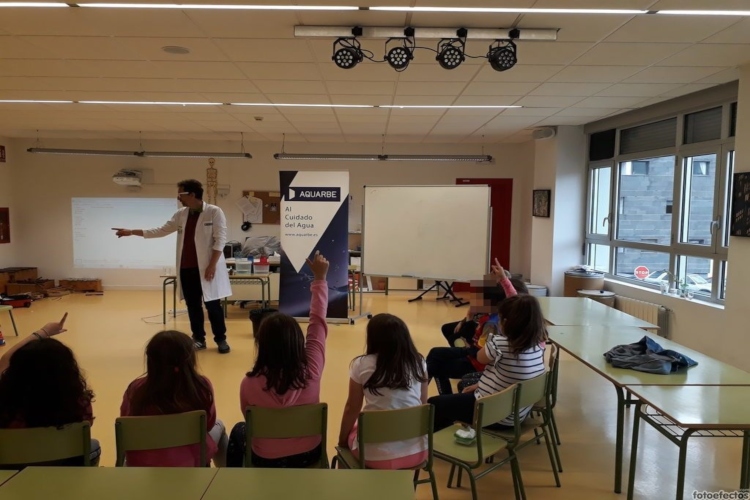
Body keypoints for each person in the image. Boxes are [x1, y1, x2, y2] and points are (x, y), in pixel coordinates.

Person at [113, 179, 232, 353]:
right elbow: (160, 230)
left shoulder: (214, 212)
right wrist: (132, 232)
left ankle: (221, 339)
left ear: (192, 194)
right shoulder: (181, 214)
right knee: (193, 306)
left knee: (213, 306)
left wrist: (212, 266)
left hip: (207, 268)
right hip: (187, 269)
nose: (178, 198)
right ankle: (198, 339)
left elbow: (220, 240)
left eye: (181, 194)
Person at [236, 251, 329, 468]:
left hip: (266, 459)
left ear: (262, 345)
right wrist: (320, 279)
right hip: (309, 454)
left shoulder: (249, 383)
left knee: (238, 431)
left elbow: (248, 417)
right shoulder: (312, 370)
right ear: (298, 341)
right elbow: (317, 323)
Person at [430, 294, 547, 431]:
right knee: (455, 397)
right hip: (515, 413)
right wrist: (479, 385)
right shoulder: (537, 346)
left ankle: (435, 443)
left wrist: (496, 338)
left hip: (493, 414)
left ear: (507, 322)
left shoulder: (501, 344)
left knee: (434, 404)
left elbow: (480, 357)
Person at [0, 313, 101, 466]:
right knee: (93, 445)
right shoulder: (79, 402)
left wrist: (43, 331)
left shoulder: (4, 400)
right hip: (62, 465)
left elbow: (5, 359)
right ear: (69, 370)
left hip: (11, 467)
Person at [120, 330, 228, 467]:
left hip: (143, 464)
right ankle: (225, 475)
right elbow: (208, 424)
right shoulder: (201, 386)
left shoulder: (135, 389)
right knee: (220, 425)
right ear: (189, 359)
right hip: (190, 461)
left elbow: (127, 424)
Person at [337, 314, 428, 469]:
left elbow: (352, 408)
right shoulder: (418, 362)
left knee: (357, 429)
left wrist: (342, 442)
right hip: (417, 452)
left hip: (373, 456)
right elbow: (422, 403)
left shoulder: (361, 364)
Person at [426, 259, 527, 395]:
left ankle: (429, 393)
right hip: (475, 353)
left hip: (476, 362)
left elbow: (481, 354)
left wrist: (467, 345)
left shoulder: (493, 323)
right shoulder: (492, 314)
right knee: (436, 354)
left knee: (436, 363)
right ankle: (423, 390)